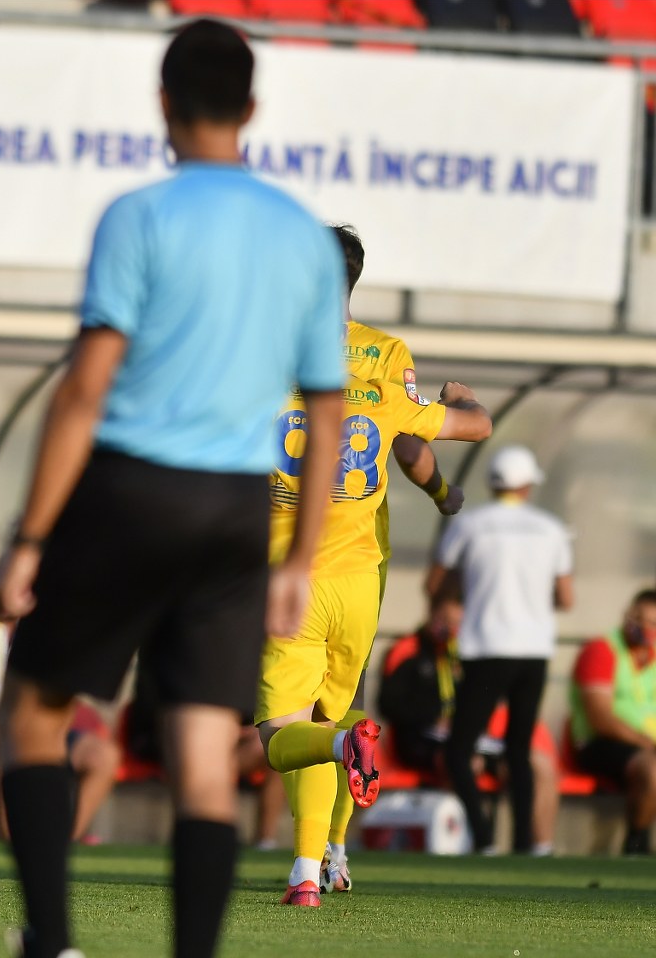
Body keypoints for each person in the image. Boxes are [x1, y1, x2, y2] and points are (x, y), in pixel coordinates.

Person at [0, 21, 350, 958]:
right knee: (201, 753)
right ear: (254, 110)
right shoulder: (302, 238)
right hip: (235, 512)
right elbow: (328, 411)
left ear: (163, 103)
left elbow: (84, 388)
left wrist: (29, 540)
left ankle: (54, 941)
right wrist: (300, 556)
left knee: (32, 713)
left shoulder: (138, 216)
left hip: (129, 492)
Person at [256, 351, 490, 905]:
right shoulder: (381, 390)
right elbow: (474, 427)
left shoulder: (256, 387)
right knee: (324, 715)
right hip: (360, 587)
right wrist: (458, 400)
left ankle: (341, 755)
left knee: (281, 738)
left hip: (292, 581)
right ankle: (308, 874)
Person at [316, 224, 467, 895]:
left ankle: (306, 861)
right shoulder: (385, 353)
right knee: (338, 712)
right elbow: (409, 444)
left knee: (286, 720)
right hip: (359, 558)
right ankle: (331, 852)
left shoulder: (269, 349)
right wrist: (441, 491)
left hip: (280, 554)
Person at [427, 444, 573, 854]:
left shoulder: (471, 525)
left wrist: (458, 596)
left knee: (459, 749)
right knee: (519, 750)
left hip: (485, 647)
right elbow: (565, 597)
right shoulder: (550, 528)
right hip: (534, 651)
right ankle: (526, 844)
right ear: (527, 486)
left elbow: (437, 585)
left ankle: (485, 838)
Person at [378, 592, 559, 854]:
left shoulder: (465, 653)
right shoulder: (407, 650)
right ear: (431, 613)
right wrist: (433, 716)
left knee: (538, 763)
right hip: (420, 740)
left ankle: (539, 849)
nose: (449, 628)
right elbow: (389, 705)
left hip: (470, 736)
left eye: (456, 622)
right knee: (464, 762)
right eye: (444, 620)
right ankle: (481, 842)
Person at [0, 609, 121, 842]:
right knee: (6, 742)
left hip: (24, 725)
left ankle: (64, 841)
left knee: (103, 755)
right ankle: (11, 837)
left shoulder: (38, 630)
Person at [124, 660, 287, 849]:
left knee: (278, 747)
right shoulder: (167, 666)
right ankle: (206, 831)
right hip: (171, 741)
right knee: (216, 754)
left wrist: (246, 728)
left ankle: (264, 842)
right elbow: (153, 717)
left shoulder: (236, 666)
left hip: (230, 744)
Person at [569, 588, 656, 855]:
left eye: (650, 622)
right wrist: (648, 743)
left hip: (644, 746)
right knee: (651, 767)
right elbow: (601, 719)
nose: (640, 626)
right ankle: (636, 846)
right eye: (636, 616)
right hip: (600, 743)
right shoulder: (602, 650)